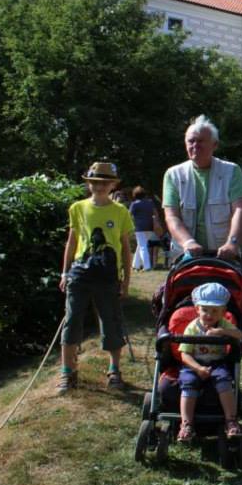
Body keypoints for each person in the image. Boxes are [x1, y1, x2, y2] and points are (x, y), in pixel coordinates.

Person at [58, 161, 134, 393]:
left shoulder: (120, 211)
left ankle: (114, 370)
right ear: (88, 183)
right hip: (80, 273)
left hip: (108, 275)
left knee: (110, 321)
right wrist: (65, 271)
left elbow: (125, 248)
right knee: (71, 321)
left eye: (104, 183)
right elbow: (72, 242)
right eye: (95, 182)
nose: (99, 187)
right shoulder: (78, 208)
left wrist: (126, 280)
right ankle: (67, 372)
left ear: (112, 185)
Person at [163, 115, 242, 262]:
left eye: (201, 141)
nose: (195, 145)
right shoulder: (173, 174)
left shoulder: (232, 171)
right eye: (191, 141)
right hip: (185, 255)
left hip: (223, 254)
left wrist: (232, 243)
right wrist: (188, 242)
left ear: (215, 145)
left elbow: (240, 210)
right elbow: (171, 216)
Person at [177, 282, 242, 442]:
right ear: (197, 309)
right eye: (205, 310)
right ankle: (186, 424)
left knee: (224, 380)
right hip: (193, 364)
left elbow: (239, 335)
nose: (209, 314)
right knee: (188, 383)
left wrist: (222, 332)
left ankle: (231, 420)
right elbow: (184, 355)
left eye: (215, 311)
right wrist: (198, 368)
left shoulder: (223, 325)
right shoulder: (192, 328)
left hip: (217, 363)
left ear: (223, 312)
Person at [129, 186, 158, 271]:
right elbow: (155, 213)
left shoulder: (134, 204)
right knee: (141, 245)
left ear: (135, 195)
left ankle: (147, 266)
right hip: (150, 227)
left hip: (139, 228)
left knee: (142, 246)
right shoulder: (150, 202)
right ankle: (135, 265)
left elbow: (129, 215)